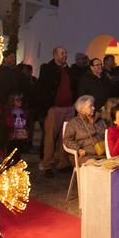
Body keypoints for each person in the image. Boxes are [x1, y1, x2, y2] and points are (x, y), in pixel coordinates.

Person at [35, 46, 74, 178]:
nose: (65, 55)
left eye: (66, 53)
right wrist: (48, 106)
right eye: (62, 53)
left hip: (68, 108)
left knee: (64, 137)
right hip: (55, 108)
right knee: (50, 137)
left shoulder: (68, 70)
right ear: (55, 55)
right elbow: (42, 89)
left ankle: (62, 163)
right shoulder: (47, 69)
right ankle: (47, 164)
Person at [63, 95, 105, 160]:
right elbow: (67, 139)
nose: (93, 108)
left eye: (93, 105)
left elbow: (107, 135)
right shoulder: (74, 123)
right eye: (90, 106)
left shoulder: (100, 119)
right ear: (82, 109)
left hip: (103, 153)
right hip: (86, 156)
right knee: (95, 168)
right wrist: (78, 149)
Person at [6, 92, 32, 157]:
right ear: (12, 101)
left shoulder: (21, 111)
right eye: (17, 100)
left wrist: (24, 124)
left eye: (20, 100)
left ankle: (17, 159)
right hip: (13, 132)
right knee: (11, 147)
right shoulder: (10, 111)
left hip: (20, 132)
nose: (20, 101)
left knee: (18, 147)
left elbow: (23, 120)